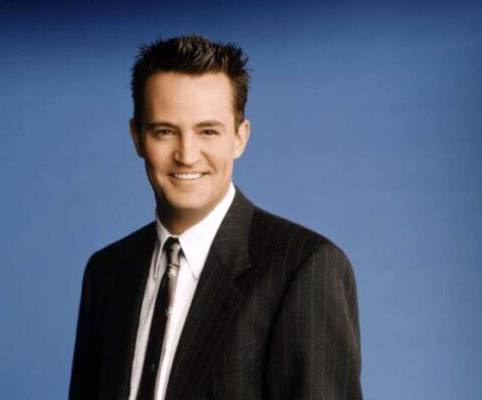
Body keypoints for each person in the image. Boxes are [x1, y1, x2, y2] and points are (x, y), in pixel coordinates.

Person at [69, 35, 362, 400]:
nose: (187, 155)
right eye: (165, 131)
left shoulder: (305, 268)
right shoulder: (107, 272)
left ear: (240, 137)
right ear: (137, 137)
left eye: (207, 131)